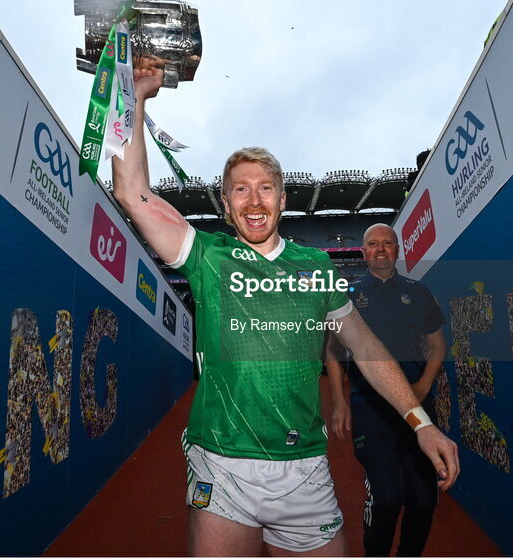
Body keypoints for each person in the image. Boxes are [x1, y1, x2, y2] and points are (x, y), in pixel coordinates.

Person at [111, 60, 459, 556]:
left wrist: (420, 424)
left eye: (265, 187)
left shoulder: (316, 264)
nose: (254, 200)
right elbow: (131, 191)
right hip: (222, 465)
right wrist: (136, 97)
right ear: (226, 206)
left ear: (283, 198)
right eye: (240, 189)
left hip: (304, 472)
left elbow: (363, 346)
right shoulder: (206, 256)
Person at [326, 223, 447, 556]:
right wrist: (339, 402)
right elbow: (333, 354)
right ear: (363, 252)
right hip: (370, 408)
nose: (380, 249)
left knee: (423, 500)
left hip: (417, 406)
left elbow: (438, 346)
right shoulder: (346, 297)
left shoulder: (419, 293)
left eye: (387, 243)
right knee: (386, 498)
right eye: (373, 244)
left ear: (397, 250)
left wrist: (423, 384)